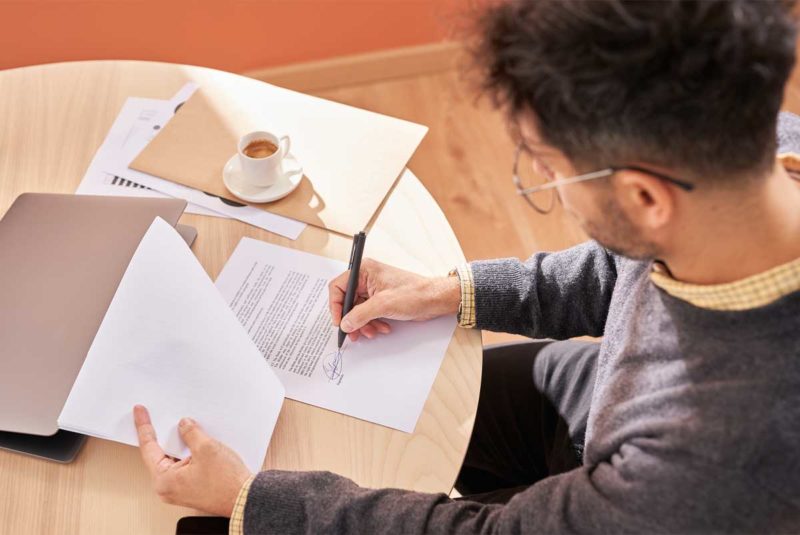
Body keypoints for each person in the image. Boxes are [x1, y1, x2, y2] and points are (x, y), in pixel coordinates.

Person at [133, 0, 800, 532]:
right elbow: (623, 264)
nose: (542, 178)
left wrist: (255, 501)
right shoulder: (767, 150)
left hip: (657, 486)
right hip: (606, 399)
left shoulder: (712, 457)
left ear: (645, 196)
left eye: (546, 167)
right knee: (407, 408)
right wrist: (449, 291)